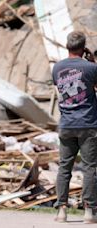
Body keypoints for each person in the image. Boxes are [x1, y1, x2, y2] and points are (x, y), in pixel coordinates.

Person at [52, 31, 97, 224]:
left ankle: (61, 211)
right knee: (90, 168)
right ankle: (89, 212)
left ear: (67, 46)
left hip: (66, 124)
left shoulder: (57, 68)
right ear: (83, 46)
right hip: (88, 124)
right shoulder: (91, 67)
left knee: (64, 167)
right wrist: (92, 61)